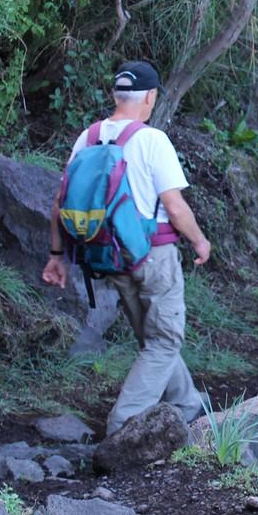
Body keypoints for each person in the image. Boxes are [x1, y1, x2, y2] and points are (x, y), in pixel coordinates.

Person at [43, 61, 212, 436]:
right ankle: (122, 426)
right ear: (150, 97)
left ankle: (187, 405)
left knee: (154, 341)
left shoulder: (88, 138)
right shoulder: (151, 140)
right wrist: (199, 240)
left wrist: (57, 256)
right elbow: (174, 205)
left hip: (110, 256)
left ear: (115, 96)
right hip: (154, 255)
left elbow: (59, 201)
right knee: (165, 340)